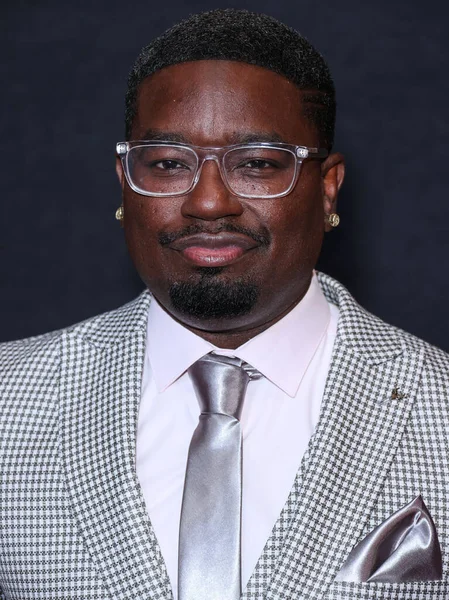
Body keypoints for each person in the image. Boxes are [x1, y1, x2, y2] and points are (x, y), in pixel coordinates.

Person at [1, 8, 448, 600]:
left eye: (259, 163)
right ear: (124, 180)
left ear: (328, 187)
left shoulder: (438, 404)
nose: (208, 203)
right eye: (166, 164)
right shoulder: (11, 401)